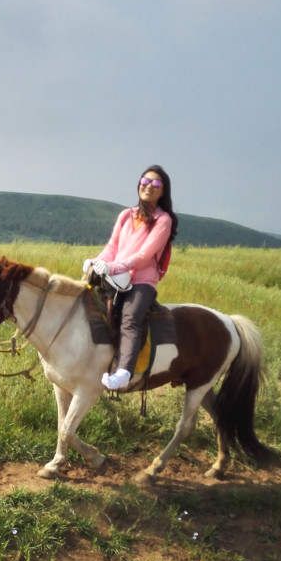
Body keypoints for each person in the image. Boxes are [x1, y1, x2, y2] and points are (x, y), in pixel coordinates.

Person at [83, 164, 178, 391]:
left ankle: (124, 372)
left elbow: (145, 255)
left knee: (130, 318)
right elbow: (112, 246)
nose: (148, 186)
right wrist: (97, 262)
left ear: (163, 191)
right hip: (114, 277)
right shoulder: (126, 215)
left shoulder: (163, 220)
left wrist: (114, 267)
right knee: (86, 307)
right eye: (145, 181)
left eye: (156, 184)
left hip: (141, 281)